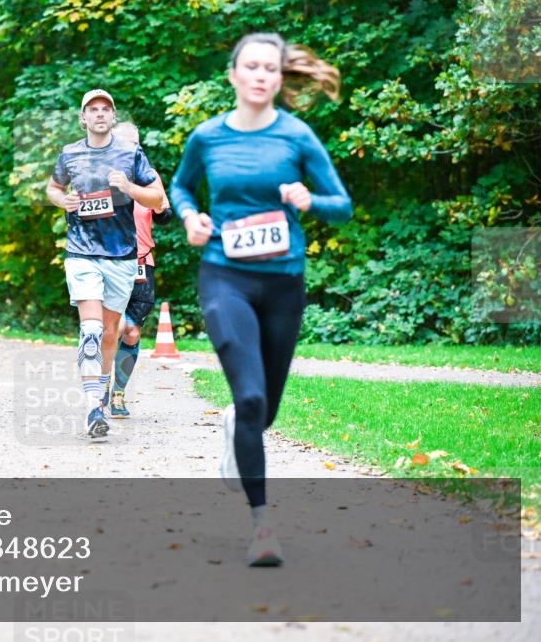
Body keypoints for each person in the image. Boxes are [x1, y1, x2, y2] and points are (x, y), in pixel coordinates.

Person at [170, 33, 352, 566]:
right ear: (233, 75)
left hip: (282, 282)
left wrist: (309, 199)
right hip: (224, 277)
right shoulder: (207, 136)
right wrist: (190, 217)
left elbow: (341, 206)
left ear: (279, 78)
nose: (260, 75)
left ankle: (239, 425)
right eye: (250, 66)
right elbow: (181, 187)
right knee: (250, 398)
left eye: (269, 68)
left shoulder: (296, 135)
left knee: (263, 411)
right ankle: (262, 526)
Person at [47, 89, 166, 439]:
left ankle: (101, 395)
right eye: (93, 109)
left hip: (122, 255)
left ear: (112, 117)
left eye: (105, 109)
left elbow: (157, 198)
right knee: (92, 331)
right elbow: (53, 188)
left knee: (111, 333)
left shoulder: (131, 153)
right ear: (83, 118)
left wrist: (129, 187)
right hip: (82, 252)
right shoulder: (69, 153)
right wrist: (63, 200)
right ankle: (93, 408)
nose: (99, 114)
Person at [104, 122, 172, 419]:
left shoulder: (150, 177)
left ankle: (118, 395)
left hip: (142, 262)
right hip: (109, 261)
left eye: (135, 144)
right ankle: (98, 386)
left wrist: (157, 206)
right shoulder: (101, 175)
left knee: (131, 331)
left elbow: (165, 215)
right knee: (112, 329)